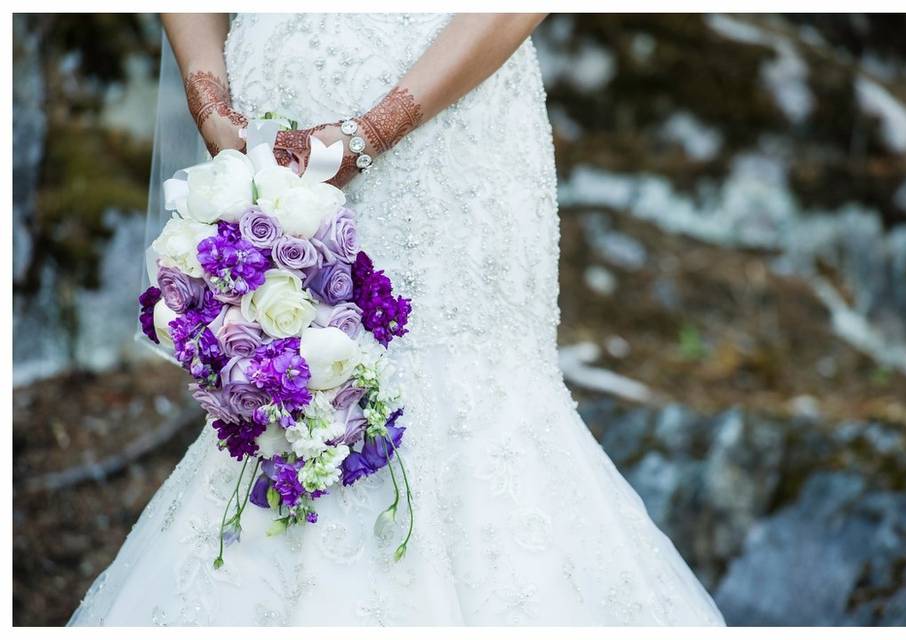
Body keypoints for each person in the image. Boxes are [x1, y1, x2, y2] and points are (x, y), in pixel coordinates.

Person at [68, 13, 724, 626]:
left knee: (465, 388)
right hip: (270, 118)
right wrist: (208, 100)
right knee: (287, 387)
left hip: (451, 103)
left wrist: (374, 129)